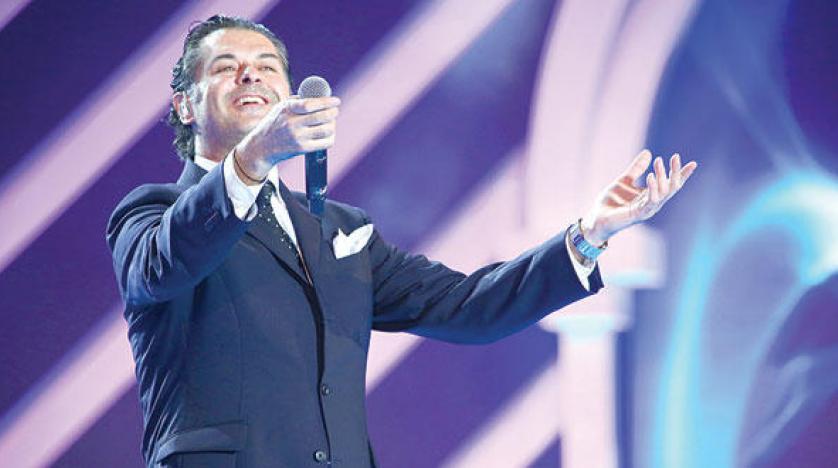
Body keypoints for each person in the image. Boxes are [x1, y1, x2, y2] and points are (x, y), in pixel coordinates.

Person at [106, 15, 697, 468]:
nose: (250, 74)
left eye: (266, 65)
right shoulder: (151, 213)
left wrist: (588, 236)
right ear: (185, 105)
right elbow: (164, 265)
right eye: (225, 66)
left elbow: (469, 306)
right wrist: (253, 158)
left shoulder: (339, 229)